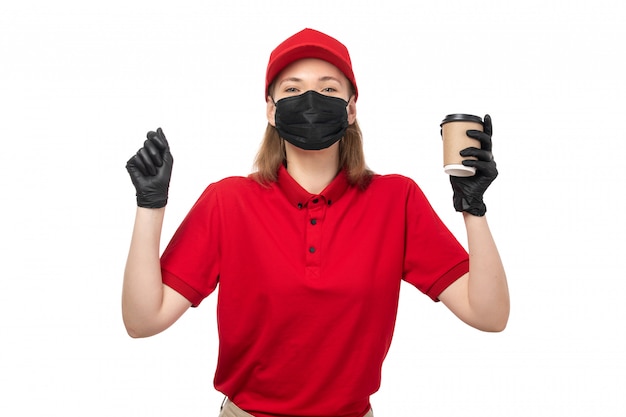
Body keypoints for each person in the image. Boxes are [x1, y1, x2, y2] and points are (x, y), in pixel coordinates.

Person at [123, 28, 509, 417]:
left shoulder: (397, 200)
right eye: (292, 90)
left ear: (351, 108)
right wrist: (150, 206)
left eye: (328, 90)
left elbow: (489, 315)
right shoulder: (228, 201)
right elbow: (143, 321)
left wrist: (472, 207)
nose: (310, 101)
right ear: (272, 111)